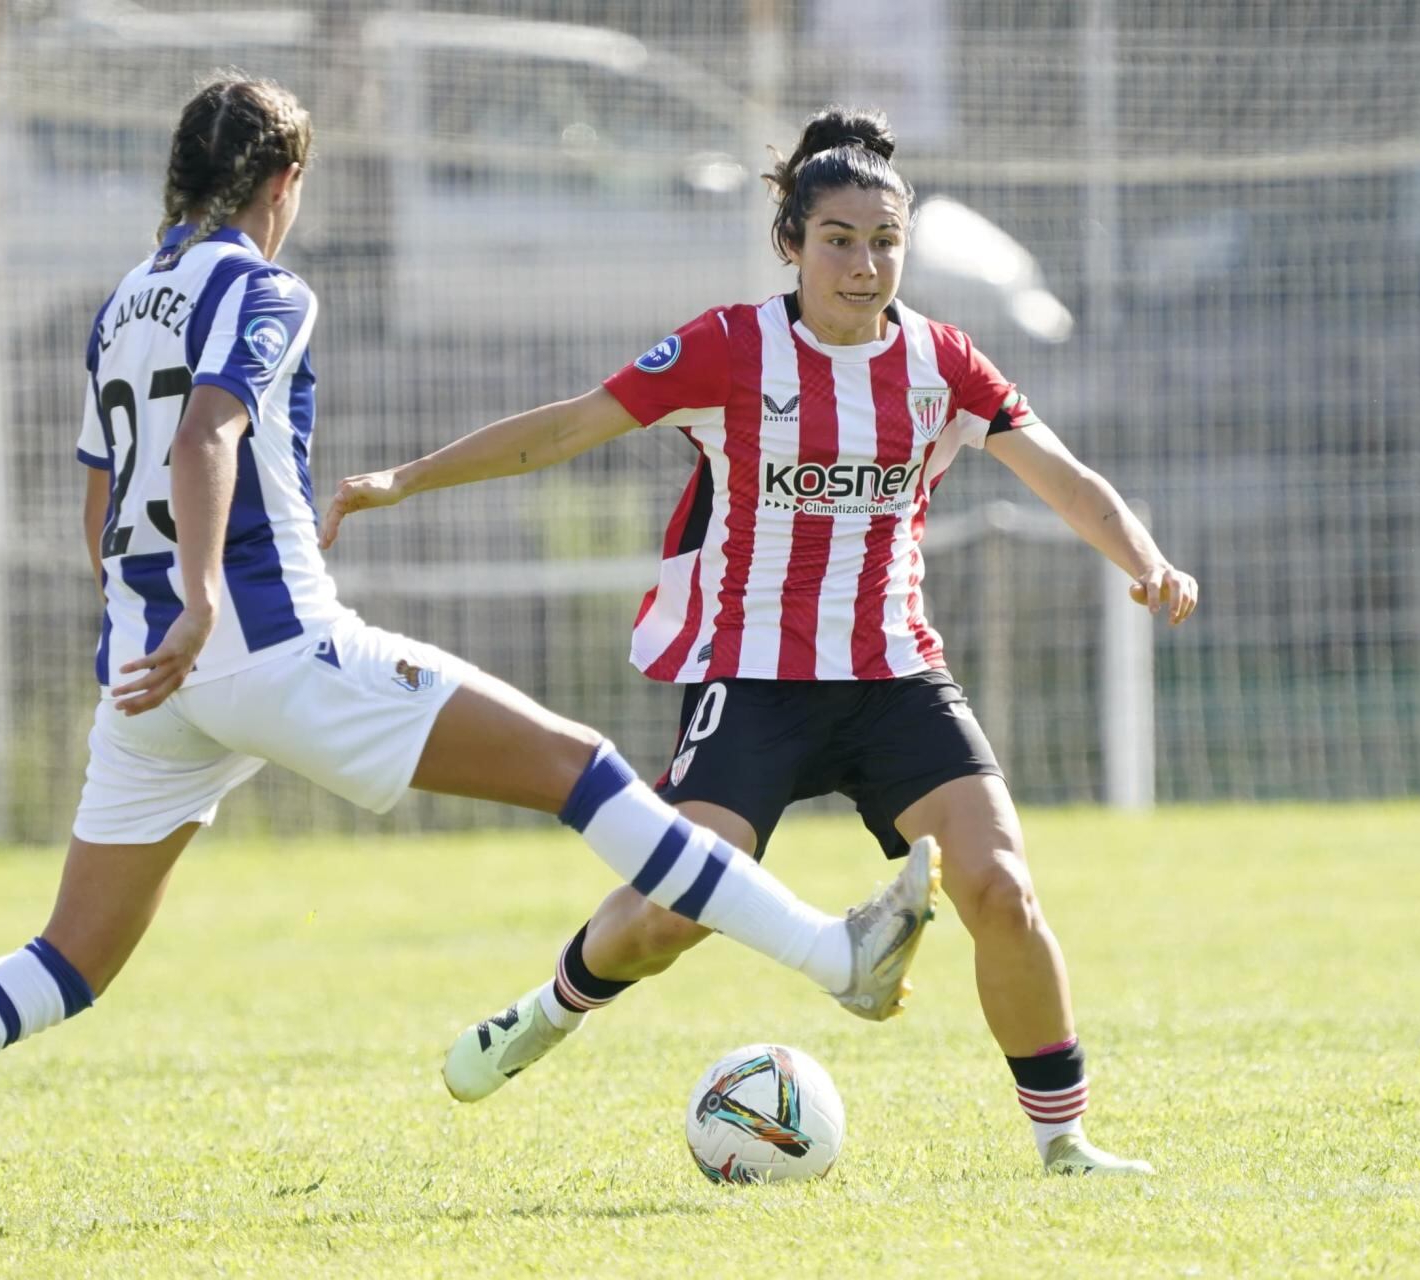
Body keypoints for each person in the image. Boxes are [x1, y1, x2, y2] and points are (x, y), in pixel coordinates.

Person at [0, 79, 943, 1228]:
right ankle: (834, 953)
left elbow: (100, 500)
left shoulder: (122, 304)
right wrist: (205, 597)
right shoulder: (264, 289)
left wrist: (155, 615)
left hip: (150, 674)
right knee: (579, 767)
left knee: (68, 957)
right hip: (265, 645)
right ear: (284, 182)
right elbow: (208, 434)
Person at [321, 105, 1199, 1177]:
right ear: (791, 242)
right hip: (753, 682)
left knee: (1001, 888)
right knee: (667, 919)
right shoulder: (730, 348)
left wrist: (1145, 559)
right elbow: (564, 428)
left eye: (885, 242)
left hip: (895, 676)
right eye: (839, 240)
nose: (865, 266)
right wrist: (401, 480)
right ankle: (548, 1008)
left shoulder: (941, 363)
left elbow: (1064, 475)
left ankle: (1064, 1142)